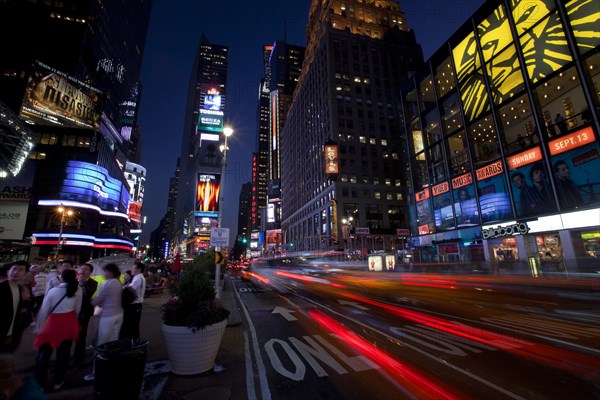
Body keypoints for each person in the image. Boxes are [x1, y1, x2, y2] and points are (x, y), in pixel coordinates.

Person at [33, 269, 82, 391]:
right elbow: (78, 309)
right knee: (64, 354)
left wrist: (40, 326)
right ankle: (58, 381)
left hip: (53, 323)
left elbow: (45, 309)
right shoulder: (78, 290)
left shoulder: (53, 291)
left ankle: (40, 383)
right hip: (69, 323)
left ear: (61, 278)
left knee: (44, 354)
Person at [84, 263, 123, 382]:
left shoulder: (108, 283)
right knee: (113, 342)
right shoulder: (118, 283)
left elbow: (98, 300)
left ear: (111, 272)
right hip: (119, 315)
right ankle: (111, 368)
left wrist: (90, 302)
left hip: (108, 316)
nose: (104, 273)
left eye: (105, 271)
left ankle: (97, 372)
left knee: (101, 345)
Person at [0, 261, 33, 353]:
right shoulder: (2, 288)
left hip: (7, 332)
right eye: (14, 269)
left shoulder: (19, 289)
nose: (16, 272)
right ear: (8, 272)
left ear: (25, 274)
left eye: (21, 270)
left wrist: (9, 333)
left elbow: (13, 313)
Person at [73, 263, 98, 369]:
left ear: (90, 272)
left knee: (81, 336)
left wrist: (82, 282)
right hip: (71, 313)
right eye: (81, 268)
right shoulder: (73, 282)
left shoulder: (93, 283)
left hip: (83, 314)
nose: (82, 270)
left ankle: (78, 360)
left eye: (86, 269)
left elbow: (87, 295)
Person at [120, 262, 146, 339]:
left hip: (134, 306)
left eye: (133, 268)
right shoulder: (138, 278)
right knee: (133, 325)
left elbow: (128, 290)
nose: (132, 270)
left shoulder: (138, 279)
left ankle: (132, 343)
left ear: (139, 269)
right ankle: (134, 342)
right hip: (136, 305)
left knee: (131, 325)